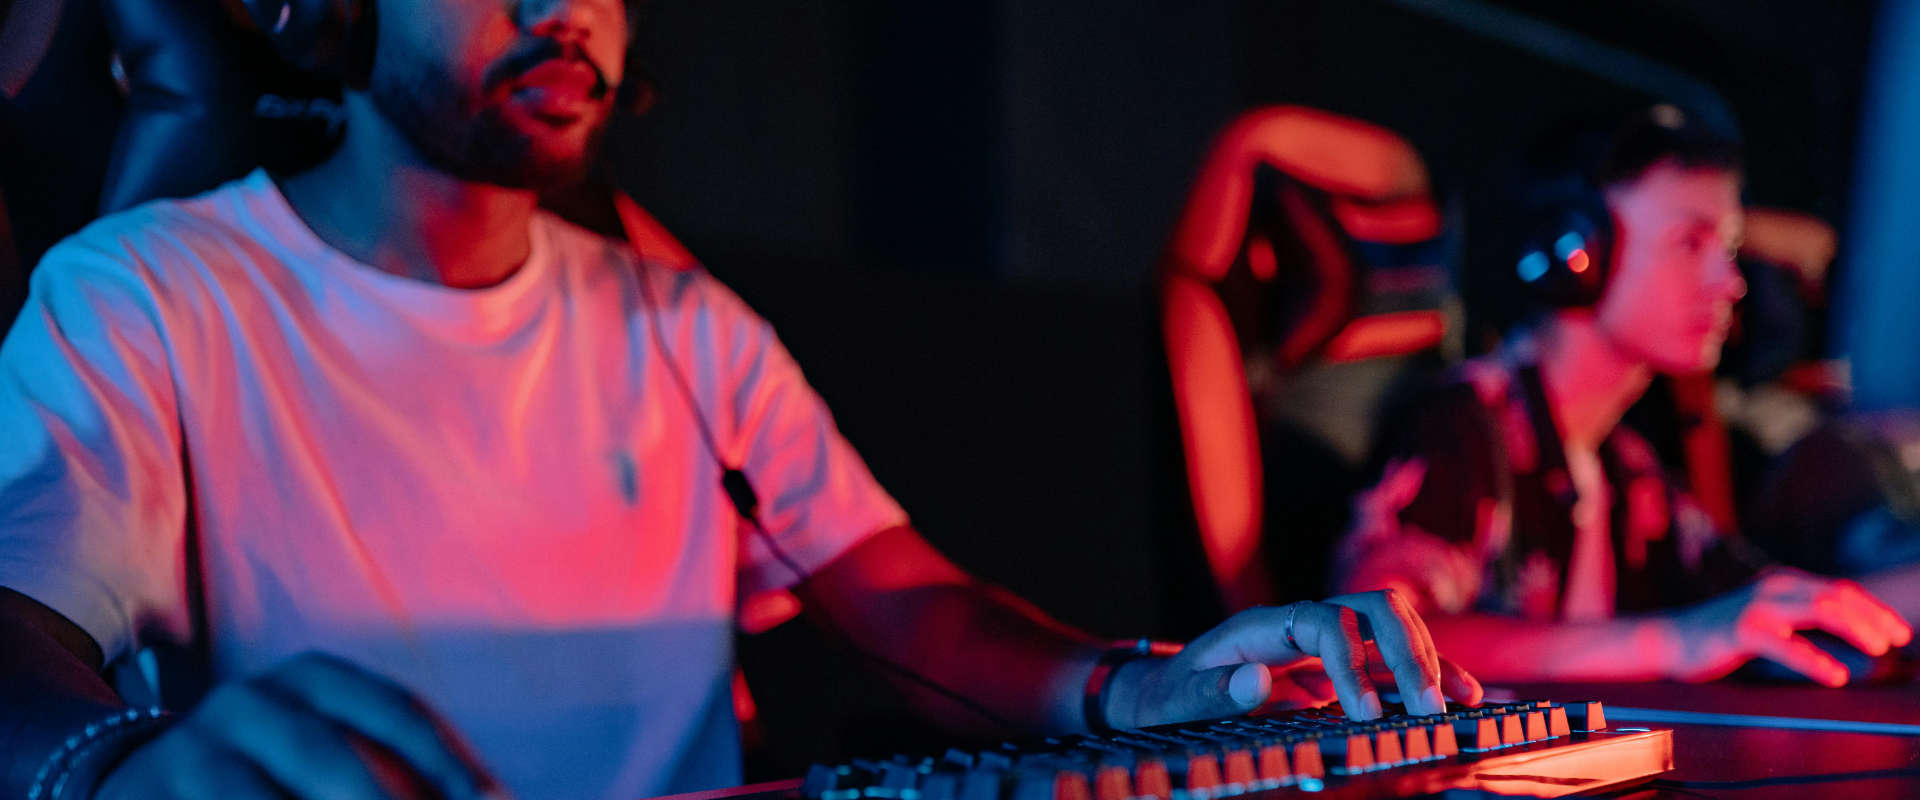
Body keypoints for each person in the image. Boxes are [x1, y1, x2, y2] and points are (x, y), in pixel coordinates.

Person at [0, 0, 1484, 798]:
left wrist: (1150, 685)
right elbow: (13, 637)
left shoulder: (680, 321)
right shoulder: (149, 291)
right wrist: (117, 771)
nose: (556, 12)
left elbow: (907, 605)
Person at [1334, 105, 1912, 688]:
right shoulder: (1464, 426)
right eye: (1691, 243)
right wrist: (1676, 640)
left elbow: (1771, 608)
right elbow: (1372, 638)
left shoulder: (1627, 473)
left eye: (1730, 249)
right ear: (1575, 254)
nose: (1729, 282)